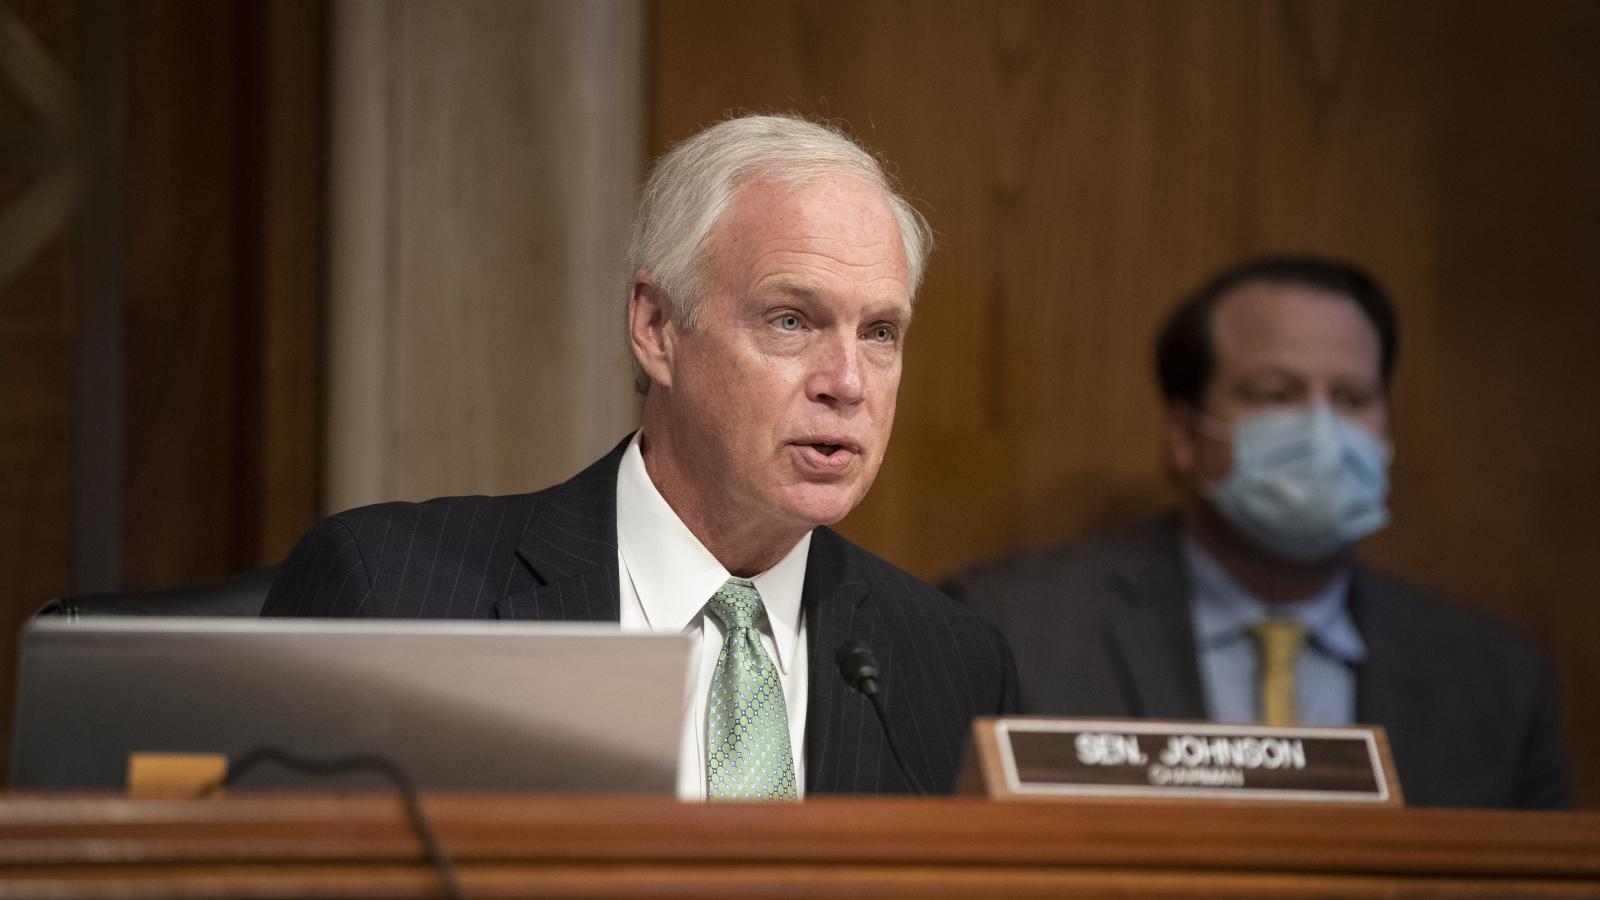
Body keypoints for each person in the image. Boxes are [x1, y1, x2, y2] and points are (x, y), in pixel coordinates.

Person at [263, 114, 1017, 798]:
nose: (847, 383)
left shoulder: (953, 666)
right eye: (792, 320)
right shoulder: (394, 597)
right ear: (657, 327)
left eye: (880, 333)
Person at [942, 255, 1568, 808]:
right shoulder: (1009, 630)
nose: (1323, 434)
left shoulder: (1497, 682)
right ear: (1185, 438)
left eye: (1352, 398)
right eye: (1277, 394)